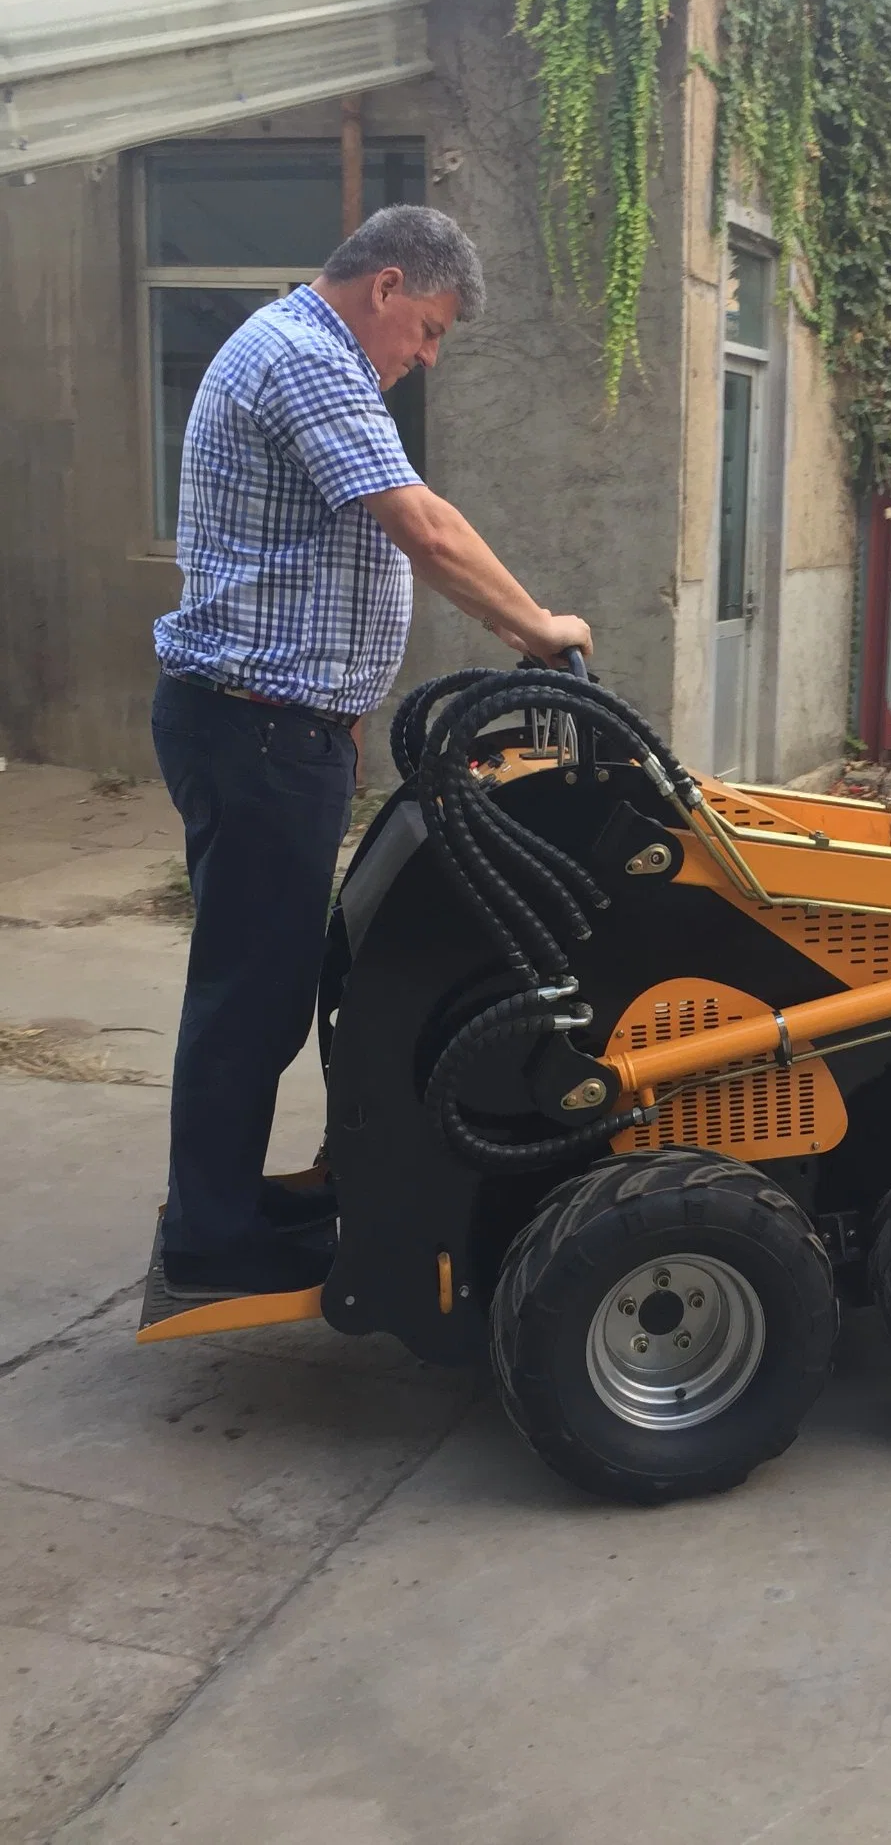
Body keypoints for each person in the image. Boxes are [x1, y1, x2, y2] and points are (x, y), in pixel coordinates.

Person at [150, 204, 591, 1299]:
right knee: (251, 993)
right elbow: (422, 525)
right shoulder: (310, 356)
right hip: (255, 730)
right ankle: (212, 1237)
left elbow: (412, 523)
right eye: (430, 331)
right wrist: (539, 629)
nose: (424, 357)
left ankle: (228, 1203)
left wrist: (504, 621)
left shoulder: (297, 351)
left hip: (274, 729)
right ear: (386, 287)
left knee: (271, 982)